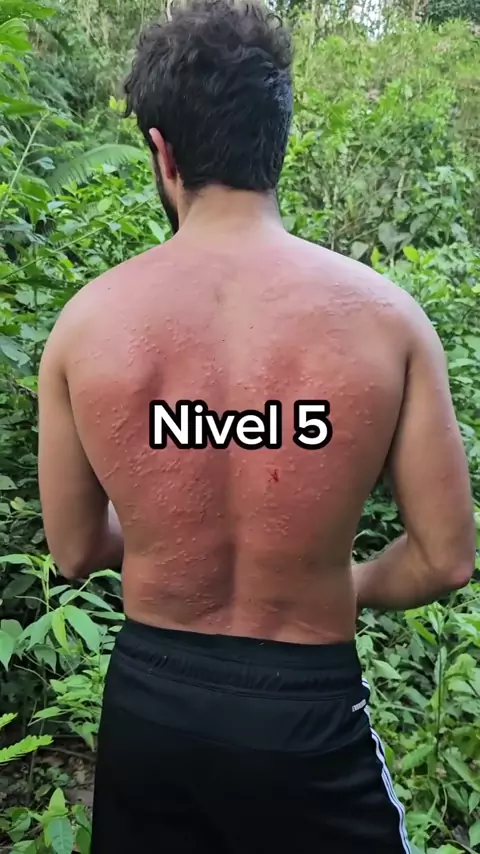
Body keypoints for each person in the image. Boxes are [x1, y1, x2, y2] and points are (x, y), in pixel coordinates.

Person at [37, 1, 475, 852]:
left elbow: (76, 549)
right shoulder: (387, 320)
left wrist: (168, 540)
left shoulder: (86, 326)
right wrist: (335, 579)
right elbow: (445, 558)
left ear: (162, 152)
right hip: (307, 712)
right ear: (277, 141)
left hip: (152, 708)